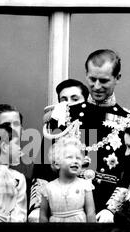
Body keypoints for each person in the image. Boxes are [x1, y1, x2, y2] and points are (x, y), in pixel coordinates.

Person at [44, 50, 130, 220]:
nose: (97, 86)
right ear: (86, 74)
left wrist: (112, 209)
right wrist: (37, 208)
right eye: (92, 79)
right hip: (63, 210)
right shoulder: (64, 115)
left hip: (106, 213)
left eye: (104, 80)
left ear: (118, 78)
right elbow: (43, 166)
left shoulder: (128, 120)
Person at [30, 79, 90, 222]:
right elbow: (41, 172)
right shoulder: (54, 131)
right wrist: (38, 207)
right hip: (55, 204)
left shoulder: (94, 130)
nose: (68, 103)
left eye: (75, 99)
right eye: (63, 100)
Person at [39, 136, 96, 223]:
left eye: (78, 158)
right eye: (70, 157)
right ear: (57, 163)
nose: (75, 161)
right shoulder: (48, 188)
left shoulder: (85, 185)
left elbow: (91, 213)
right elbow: (43, 215)